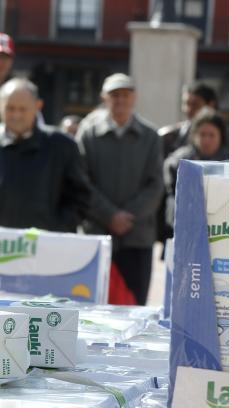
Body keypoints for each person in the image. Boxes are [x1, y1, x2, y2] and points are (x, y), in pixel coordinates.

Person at [0, 78, 92, 233]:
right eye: (10, 108)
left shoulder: (63, 146)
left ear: (38, 107)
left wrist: (57, 228)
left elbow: (80, 196)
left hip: (45, 246)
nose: (16, 115)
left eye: (23, 109)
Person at [76, 73, 163, 305]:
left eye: (125, 95)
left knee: (133, 306)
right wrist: (109, 215)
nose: (120, 101)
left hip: (137, 238)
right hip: (97, 235)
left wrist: (128, 216)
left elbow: (155, 185)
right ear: (104, 97)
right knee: (93, 305)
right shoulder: (88, 133)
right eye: (115, 95)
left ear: (134, 98)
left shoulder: (151, 136)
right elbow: (80, 182)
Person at [163, 109, 229, 229]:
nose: (206, 140)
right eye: (202, 135)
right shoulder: (179, 161)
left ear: (221, 136)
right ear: (194, 136)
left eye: (211, 135)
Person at [159, 81, 218, 157]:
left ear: (210, 105)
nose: (188, 110)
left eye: (195, 104)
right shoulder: (169, 137)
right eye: (186, 104)